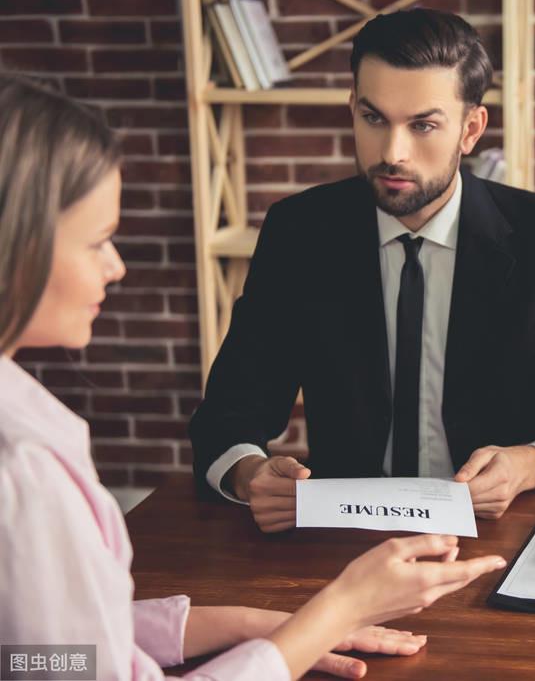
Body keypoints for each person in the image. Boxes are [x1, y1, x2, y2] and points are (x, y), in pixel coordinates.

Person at [0, 74, 506, 680]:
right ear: (15, 243)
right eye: (98, 241)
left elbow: (45, 648)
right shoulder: (22, 467)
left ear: (470, 128)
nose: (117, 267)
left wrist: (266, 626)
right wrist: (340, 607)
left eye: (422, 123)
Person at [189, 8, 535, 531]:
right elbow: (226, 419)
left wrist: (525, 466)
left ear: (471, 130)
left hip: (502, 532)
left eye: (423, 125)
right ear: (352, 108)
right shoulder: (299, 232)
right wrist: (250, 474)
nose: (392, 153)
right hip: (343, 539)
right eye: (374, 118)